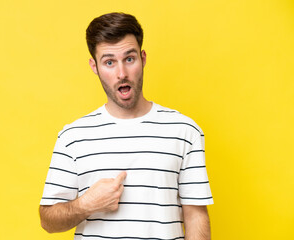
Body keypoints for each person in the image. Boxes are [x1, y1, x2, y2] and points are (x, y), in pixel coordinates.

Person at [39, 12, 213, 240]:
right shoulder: (72, 137)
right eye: (109, 62)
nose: (122, 74)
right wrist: (86, 205)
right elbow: (48, 220)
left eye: (129, 59)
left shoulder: (184, 131)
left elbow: (196, 216)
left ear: (143, 58)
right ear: (94, 66)